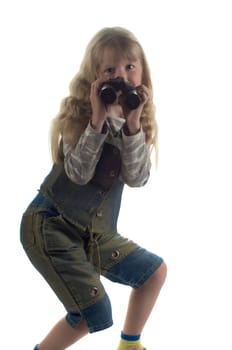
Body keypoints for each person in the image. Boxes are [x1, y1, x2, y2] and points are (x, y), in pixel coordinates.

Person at [20, 26, 167, 350]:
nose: (122, 76)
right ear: (95, 79)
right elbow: (78, 173)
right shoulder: (78, 117)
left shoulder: (137, 123)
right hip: (51, 225)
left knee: (153, 272)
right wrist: (97, 120)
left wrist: (131, 126)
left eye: (130, 67)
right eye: (110, 70)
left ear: (142, 71)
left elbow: (138, 178)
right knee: (91, 312)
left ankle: (129, 344)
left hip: (94, 231)